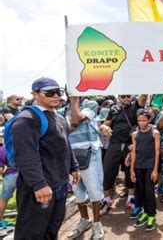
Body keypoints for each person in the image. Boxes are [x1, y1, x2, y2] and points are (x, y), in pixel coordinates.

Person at [12, 77, 80, 238]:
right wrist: (38, 184)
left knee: (52, 229)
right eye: (50, 93)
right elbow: (25, 154)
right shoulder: (27, 119)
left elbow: (65, 144)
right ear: (35, 94)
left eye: (58, 92)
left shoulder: (59, 117)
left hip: (59, 185)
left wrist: (74, 166)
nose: (56, 95)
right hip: (40, 188)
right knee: (32, 233)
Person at [58, 96, 105, 239]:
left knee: (94, 190)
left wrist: (74, 102)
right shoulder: (60, 111)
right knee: (78, 191)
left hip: (90, 152)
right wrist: (70, 126)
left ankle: (97, 224)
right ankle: (84, 220)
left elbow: (76, 120)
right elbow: (63, 131)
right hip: (70, 155)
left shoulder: (90, 104)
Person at [100, 94, 147, 215]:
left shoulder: (136, 106)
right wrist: (104, 127)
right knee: (107, 170)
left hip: (129, 144)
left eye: (128, 96)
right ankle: (106, 200)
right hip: (114, 144)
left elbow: (143, 97)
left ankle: (131, 198)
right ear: (119, 97)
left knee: (130, 171)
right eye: (123, 96)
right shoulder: (113, 109)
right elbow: (106, 123)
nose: (126, 98)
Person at [129, 109, 160, 232]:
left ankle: (152, 216)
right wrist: (131, 170)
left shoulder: (155, 132)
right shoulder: (135, 134)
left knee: (149, 191)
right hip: (138, 166)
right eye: (139, 120)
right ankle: (145, 213)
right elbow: (133, 152)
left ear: (149, 120)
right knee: (140, 191)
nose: (141, 123)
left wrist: (155, 170)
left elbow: (157, 152)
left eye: (144, 120)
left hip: (150, 167)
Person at [0, 130, 17, 229]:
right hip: (24, 174)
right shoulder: (19, 145)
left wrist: (2, 175)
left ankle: (0, 221)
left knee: (4, 199)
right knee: (23, 198)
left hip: (10, 175)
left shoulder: (2, 150)